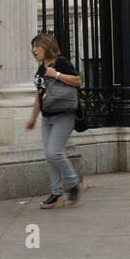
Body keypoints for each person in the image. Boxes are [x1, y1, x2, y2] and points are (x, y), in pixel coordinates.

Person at [25, 32, 83, 207]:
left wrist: (56, 74)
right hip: (47, 117)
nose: (34, 50)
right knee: (50, 156)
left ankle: (73, 183)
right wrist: (33, 118)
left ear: (47, 46)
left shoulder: (61, 62)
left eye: (37, 46)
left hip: (64, 115)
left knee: (54, 152)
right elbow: (40, 95)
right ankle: (56, 193)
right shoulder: (40, 69)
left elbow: (78, 81)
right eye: (32, 47)